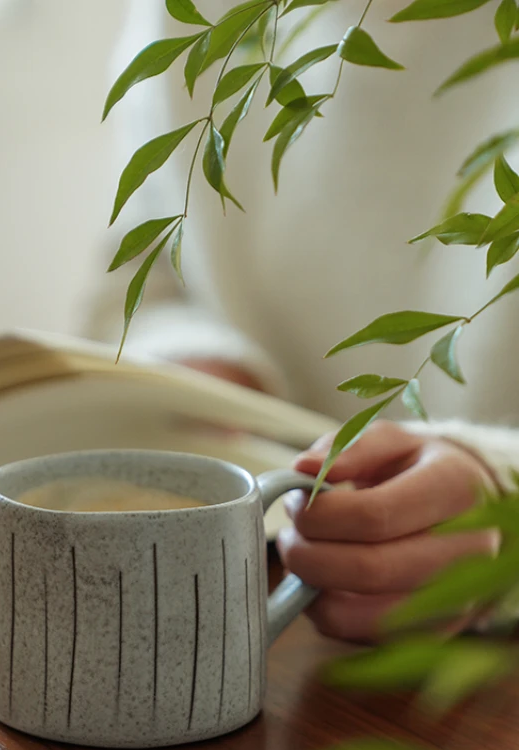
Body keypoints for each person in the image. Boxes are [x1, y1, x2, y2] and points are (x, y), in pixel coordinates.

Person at [84, 0, 519, 642]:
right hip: (255, 586)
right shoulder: (191, 20)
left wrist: (504, 497)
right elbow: (143, 285)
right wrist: (195, 360)